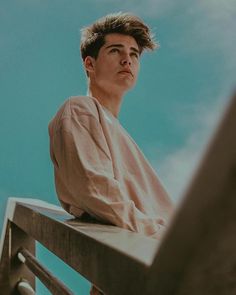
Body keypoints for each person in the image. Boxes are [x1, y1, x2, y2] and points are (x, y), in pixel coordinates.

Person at [48, 12, 173, 295]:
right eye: (115, 51)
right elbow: (95, 190)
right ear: (89, 64)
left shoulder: (123, 136)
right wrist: (168, 241)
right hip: (153, 263)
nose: (127, 59)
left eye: (134, 54)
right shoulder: (80, 109)